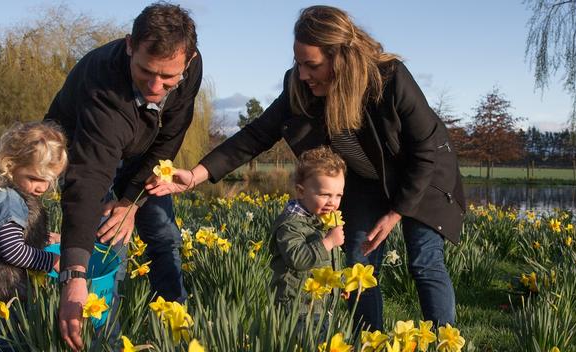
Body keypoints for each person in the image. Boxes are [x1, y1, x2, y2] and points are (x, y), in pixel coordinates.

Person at [147, 5, 465, 331]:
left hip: (423, 174)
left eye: (311, 64)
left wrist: (397, 212)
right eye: (298, 63)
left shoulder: (389, 78)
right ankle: (371, 341)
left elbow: (426, 148)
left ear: (339, 58)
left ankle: (442, 339)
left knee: (424, 262)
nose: (301, 74)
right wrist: (196, 175)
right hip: (368, 183)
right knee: (358, 264)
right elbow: (257, 134)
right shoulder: (301, 87)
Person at [41, 2, 202, 350]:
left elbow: (169, 139)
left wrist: (131, 199)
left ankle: (175, 329)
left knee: (163, 234)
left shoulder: (190, 68)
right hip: (84, 148)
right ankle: (104, 338)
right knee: (107, 243)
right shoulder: (104, 86)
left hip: (142, 156)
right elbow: (88, 180)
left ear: (188, 62)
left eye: (168, 77)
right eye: (146, 71)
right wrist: (73, 275)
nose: (157, 86)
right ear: (130, 45)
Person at [0, 121, 66, 352]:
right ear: (10, 163)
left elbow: (7, 237)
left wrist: (46, 238)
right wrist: (51, 262)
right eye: (35, 178)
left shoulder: (4, 190)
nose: (42, 187)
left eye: (49, 180)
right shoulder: (8, 200)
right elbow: (12, 249)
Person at [269, 147, 346, 328]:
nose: (332, 202)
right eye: (325, 194)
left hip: (318, 302)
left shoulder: (319, 220)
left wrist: (338, 284)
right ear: (301, 191)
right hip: (297, 306)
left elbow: (324, 262)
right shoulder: (290, 225)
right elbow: (298, 259)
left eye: (338, 195)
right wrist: (328, 242)